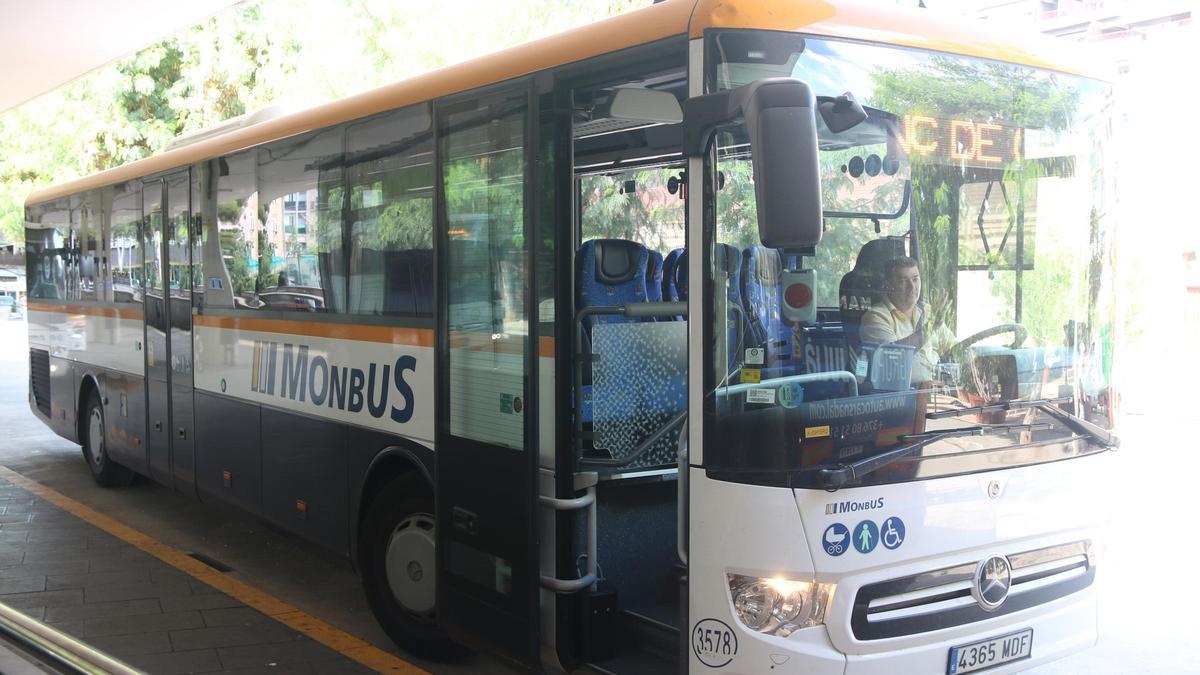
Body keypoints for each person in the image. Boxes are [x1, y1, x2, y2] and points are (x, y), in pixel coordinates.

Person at [859, 256, 950, 385]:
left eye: (915, 279)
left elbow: (952, 347)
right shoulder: (875, 316)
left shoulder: (928, 312)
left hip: (936, 390)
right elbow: (892, 358)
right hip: (900, 394)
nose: (912, 287)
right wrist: (931, 327)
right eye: (903, 281)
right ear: (888, 285)